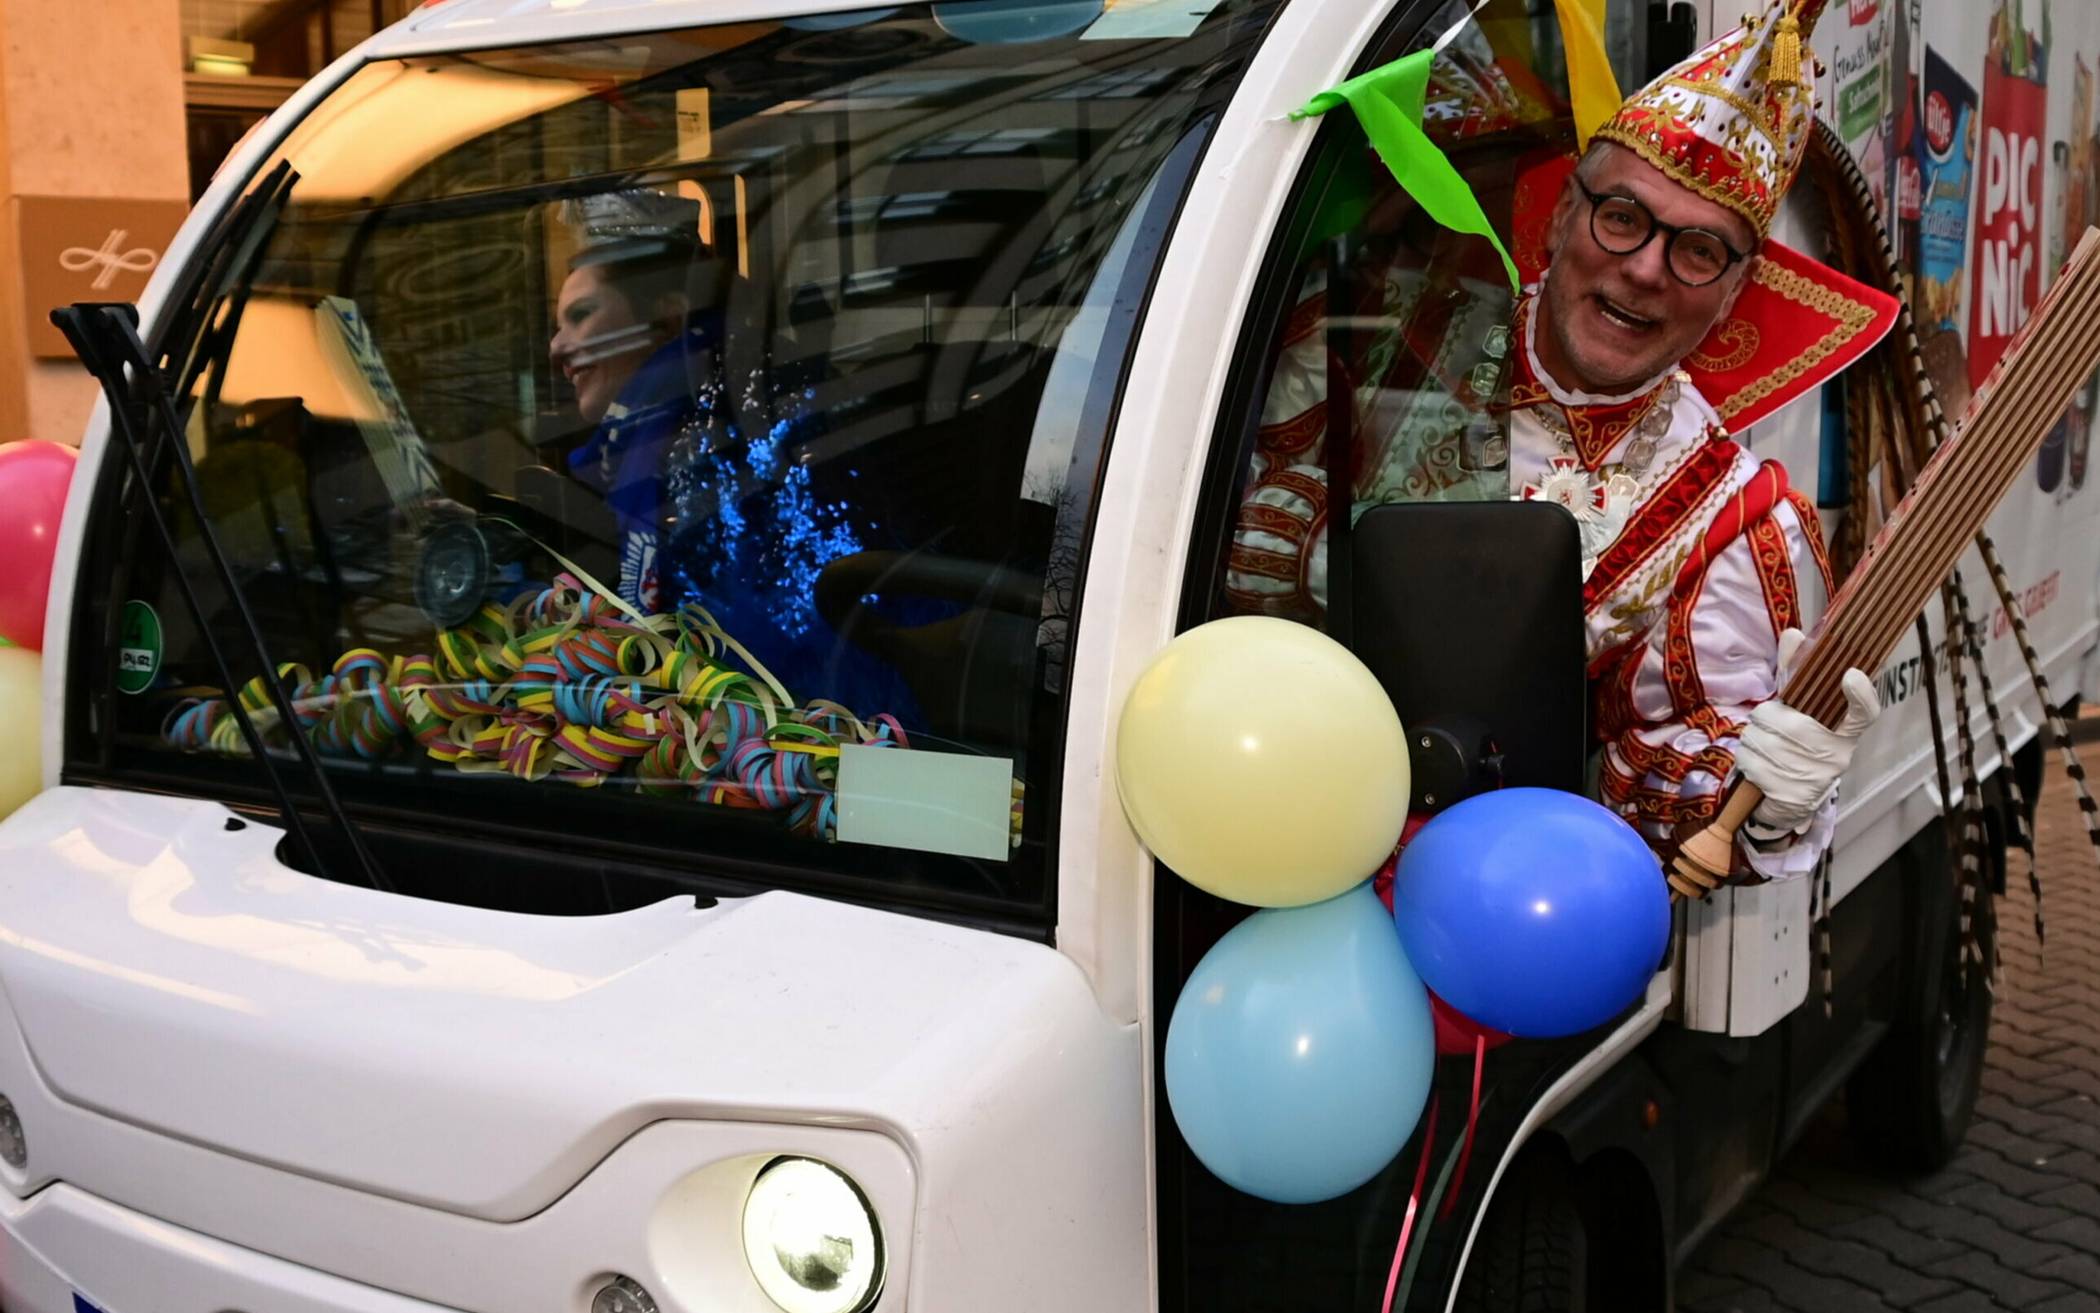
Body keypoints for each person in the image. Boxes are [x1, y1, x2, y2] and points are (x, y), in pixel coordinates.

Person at [1236, 0, 1888, 890]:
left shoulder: (1725, 515)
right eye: (1623, 216)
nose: (1648, 267)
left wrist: (1765, 802)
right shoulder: (1369, 327)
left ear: (1736, 292)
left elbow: (1663, 825)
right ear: (1560, 218)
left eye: (1700, 250)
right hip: (1236, 823)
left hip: (1468, 915)